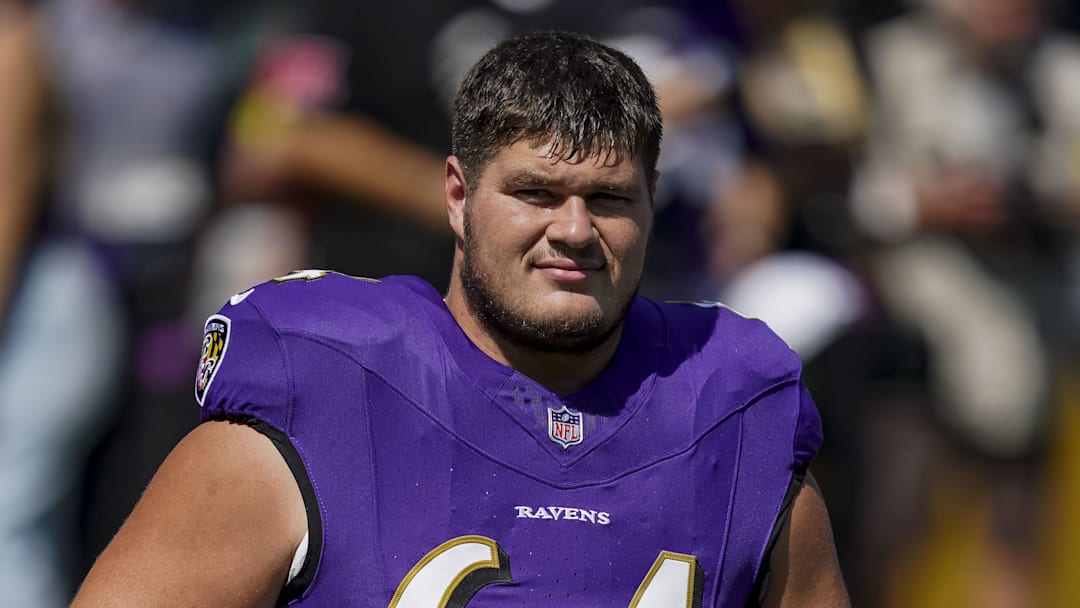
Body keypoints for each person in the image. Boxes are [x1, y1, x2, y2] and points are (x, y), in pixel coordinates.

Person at [72, 31, 849, 607]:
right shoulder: (315, 392)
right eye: (536, 194)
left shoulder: (737, 412)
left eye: (609, 199)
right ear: (457, 195)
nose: (575, 230)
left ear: (651, 202)